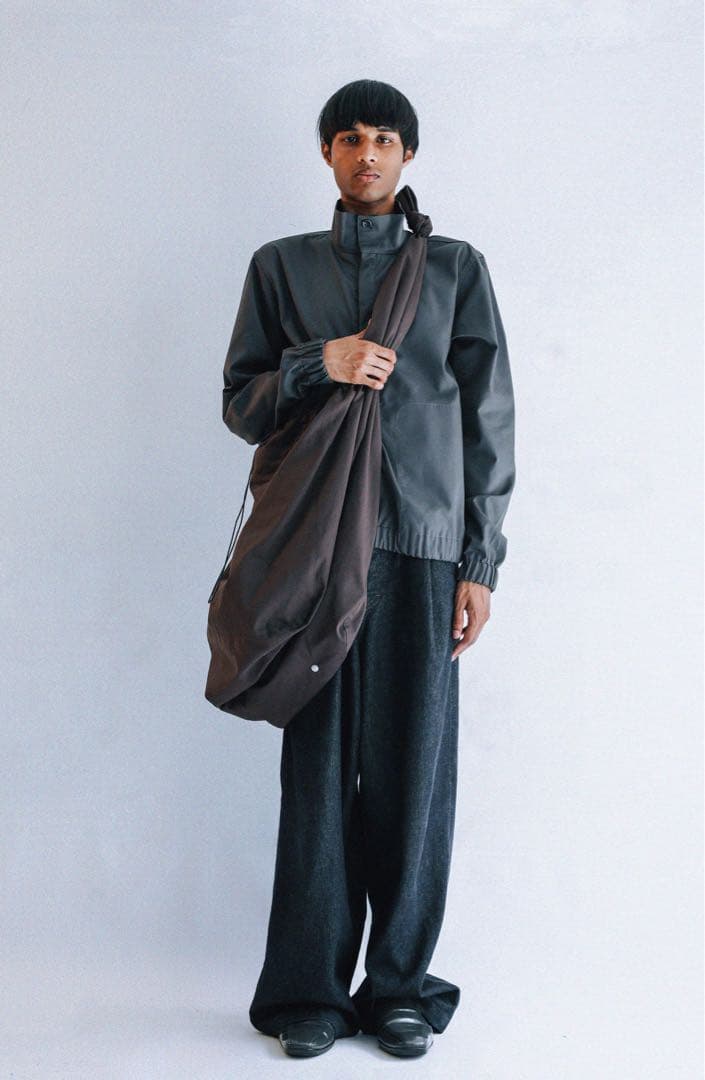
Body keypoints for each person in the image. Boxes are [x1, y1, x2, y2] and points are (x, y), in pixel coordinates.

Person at [219, 78, 516, 1058]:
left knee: (412, 776)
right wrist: (322, 362)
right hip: (312, 553)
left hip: (422, 553)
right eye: (349, 139)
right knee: (315, 775)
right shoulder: (281, 268)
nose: (367, 155)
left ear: (408, 154)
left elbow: (487, 420)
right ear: (327, 153)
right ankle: (308, 991)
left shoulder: (456, 270)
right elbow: (242, 403)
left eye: (384, 139)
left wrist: (480, 560)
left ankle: (398, 987)